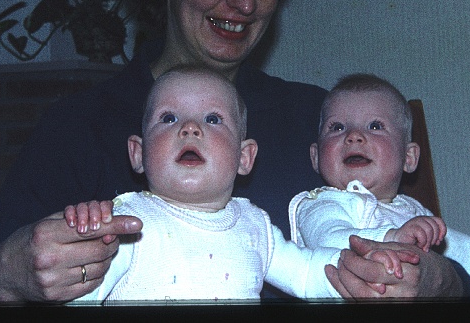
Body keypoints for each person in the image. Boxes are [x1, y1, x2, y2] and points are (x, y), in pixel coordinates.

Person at [0, 0, 467, 304]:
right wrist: (6, 275)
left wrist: (435, 280)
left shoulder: (327, 122)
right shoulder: (77, 128)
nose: (245, 2)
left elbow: (462, 275)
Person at [64, 66, 422, 302]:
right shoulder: (128, 222)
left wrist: (363, 265)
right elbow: (83, 297)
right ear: (138, 153)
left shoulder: (256, 226)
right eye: (169, 118)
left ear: (244, 157)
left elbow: (309, 273)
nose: (190, 128)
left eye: (213, 119)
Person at [294, 73, 470, 296]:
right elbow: (327, 239)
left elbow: (466, 251)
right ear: (316, 157)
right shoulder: (318, 203)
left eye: (375, 126)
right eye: (337, 127)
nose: (354, 136)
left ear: (409, 158)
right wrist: (393, 240)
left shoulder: (413, 212)